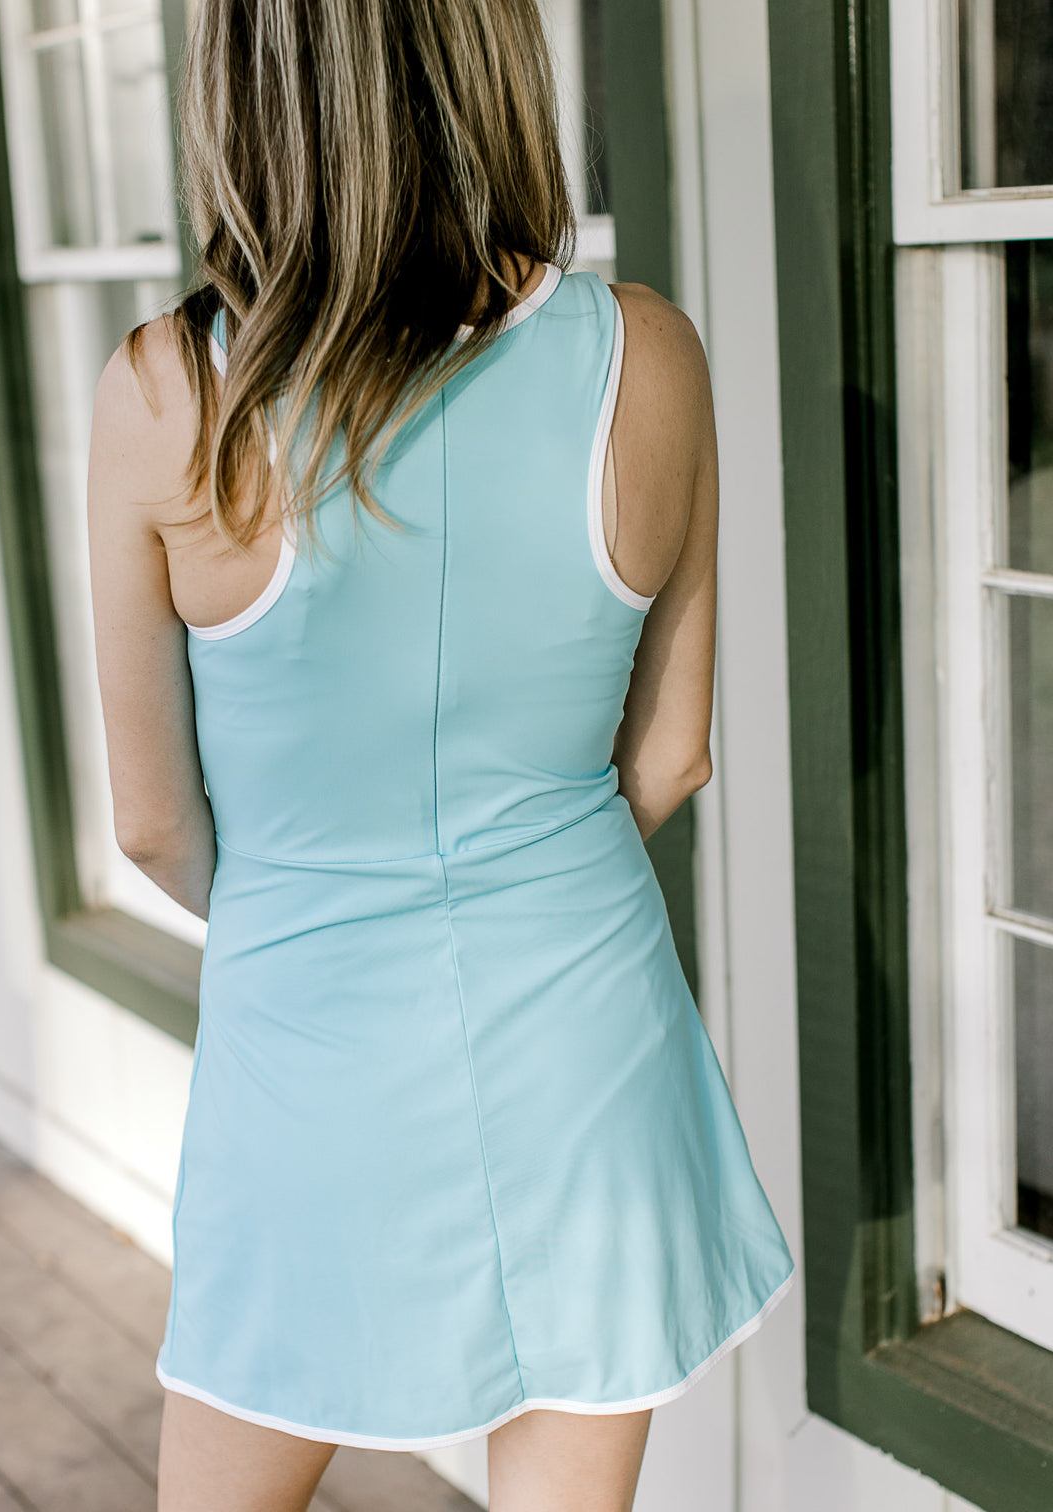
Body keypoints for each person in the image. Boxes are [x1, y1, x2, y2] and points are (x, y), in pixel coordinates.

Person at [86, 2, 795, 1509]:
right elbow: (670, 757)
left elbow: (151, 823)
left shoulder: (166, 392)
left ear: (245, 86)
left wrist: (319, 905)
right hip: (588, 1031)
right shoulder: (646, 353)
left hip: (308, 1046)